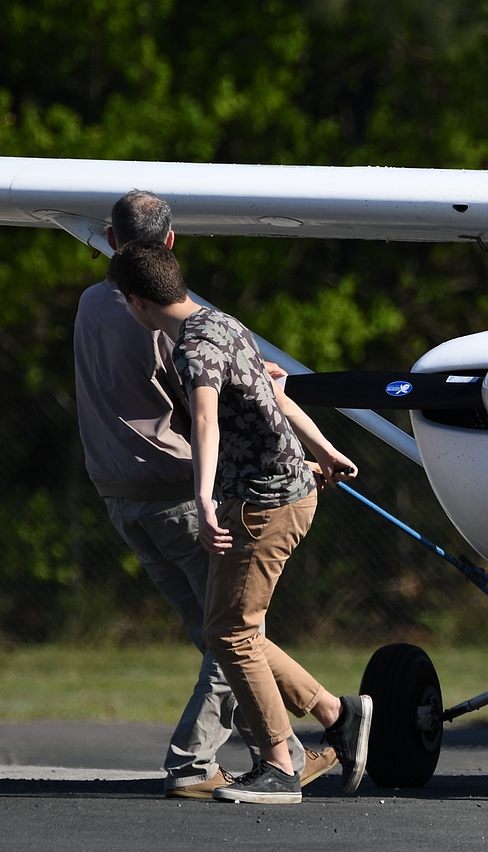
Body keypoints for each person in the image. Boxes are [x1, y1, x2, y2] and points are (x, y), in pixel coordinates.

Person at [73, 191, 336, 799]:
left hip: (116, 492)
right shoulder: (173, 324)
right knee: (232, 633)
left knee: (219, 630)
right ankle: (213, 762)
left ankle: (326, 721)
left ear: (112, 243)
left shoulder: (90, 304)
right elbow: (204, 398)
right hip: (179, 492)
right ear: (170, 244)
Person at [110, 238, 372, 805]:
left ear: (137, 303)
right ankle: (337, 714)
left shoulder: (193, 348)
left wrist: (202, 501)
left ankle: (280, 765)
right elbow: (273, 394)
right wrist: (323, 448)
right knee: (232, 627)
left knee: (230, 632)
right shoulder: (223, 323)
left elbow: (204, 419)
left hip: (263, 504)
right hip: (284, 493)